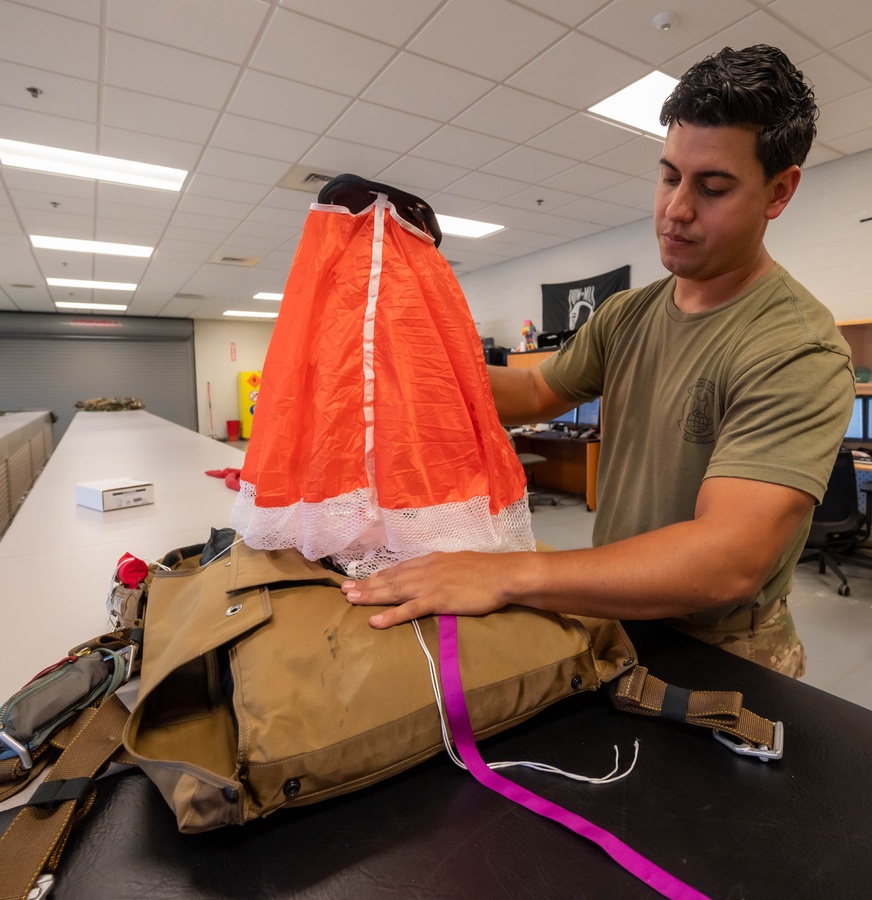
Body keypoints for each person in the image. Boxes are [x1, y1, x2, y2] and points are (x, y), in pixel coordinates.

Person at [341, 45, 855, 678]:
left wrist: (509, 574)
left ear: (780, 191)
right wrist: (411, 358)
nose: (677, 210)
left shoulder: (795, 348)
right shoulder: (625, 314)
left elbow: (727, 560)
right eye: (670, 177)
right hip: (616, 615)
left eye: (713, 187)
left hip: (722, 653)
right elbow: (533, 395)